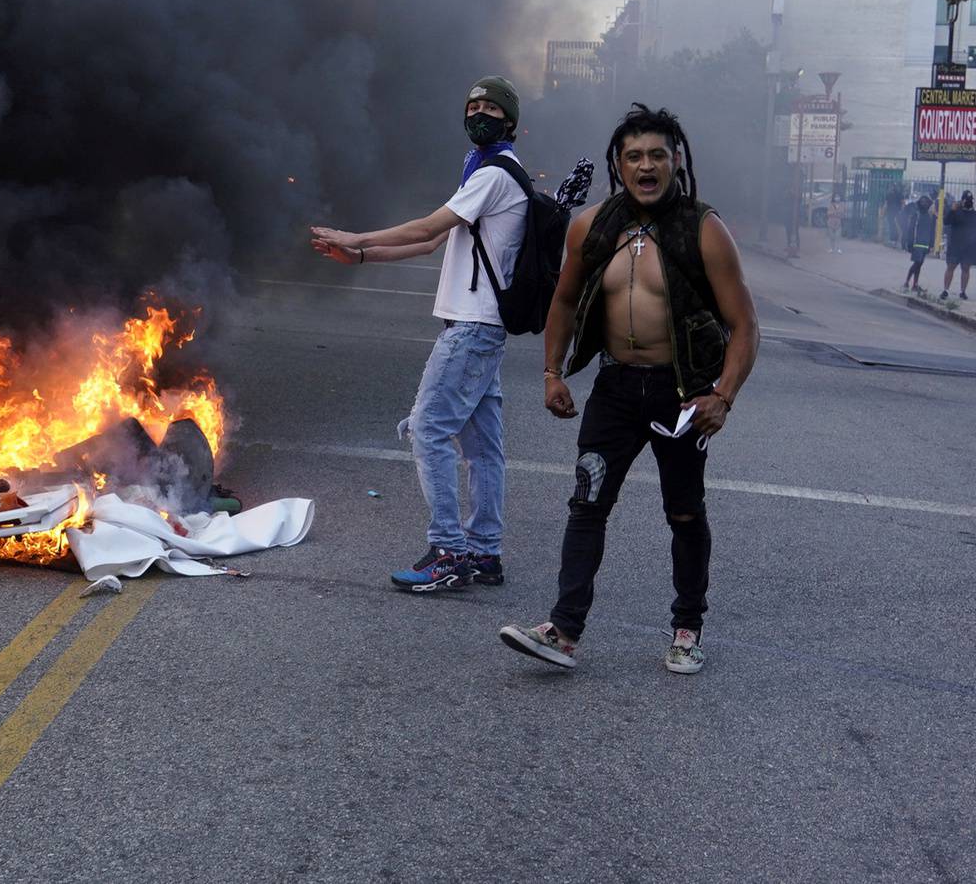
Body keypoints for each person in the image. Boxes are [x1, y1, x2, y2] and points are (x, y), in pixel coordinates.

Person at [499, 104, 758, 675]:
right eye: (635, 156)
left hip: (683, 396)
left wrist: (723, 395)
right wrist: (552, 371)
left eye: (657, 155)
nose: (647, 166)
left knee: (685, 513)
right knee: (587, 503)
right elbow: (563, 300)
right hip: (615, 389)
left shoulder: (703, 229)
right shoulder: (593, 227)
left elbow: (745, 324)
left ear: (676, 160)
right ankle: (563, 631)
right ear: (620, 164)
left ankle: (687, 629)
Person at [310, 76, 530, 595]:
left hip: (472, 329)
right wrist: (361, 257)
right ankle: (484, 552)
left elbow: (427, 227)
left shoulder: (495, 174)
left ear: (510, 123)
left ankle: (449, 551)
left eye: (491, 107)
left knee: (428, 429)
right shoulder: (487, 173)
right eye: (473, 104)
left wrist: (355, 235)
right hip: (483, 329)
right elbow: (433, 245)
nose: (479, 112)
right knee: (482, 448)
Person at [941, 191, 976, 300]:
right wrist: (952, 210)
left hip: (969, 247)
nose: (968, 201)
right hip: (955, 245)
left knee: (966, 269)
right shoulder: (956, 212)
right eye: (966, 199)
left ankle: (963, 292)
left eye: (970, 199)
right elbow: (945, 222)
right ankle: (945, 290)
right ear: (962, 200)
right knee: (951, 267)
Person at [902, 195, 935, 293]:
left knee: (919, 264)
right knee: (917, 264)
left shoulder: (930, 216)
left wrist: (931, 244)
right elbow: (911, 229)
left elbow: (932, 231)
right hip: (917, 243)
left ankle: (914, 284)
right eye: (922, 202)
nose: (924, 204)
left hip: (925, 244)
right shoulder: (916, 215)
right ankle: (907, 282)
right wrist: (909, 242)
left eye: (926, 202)